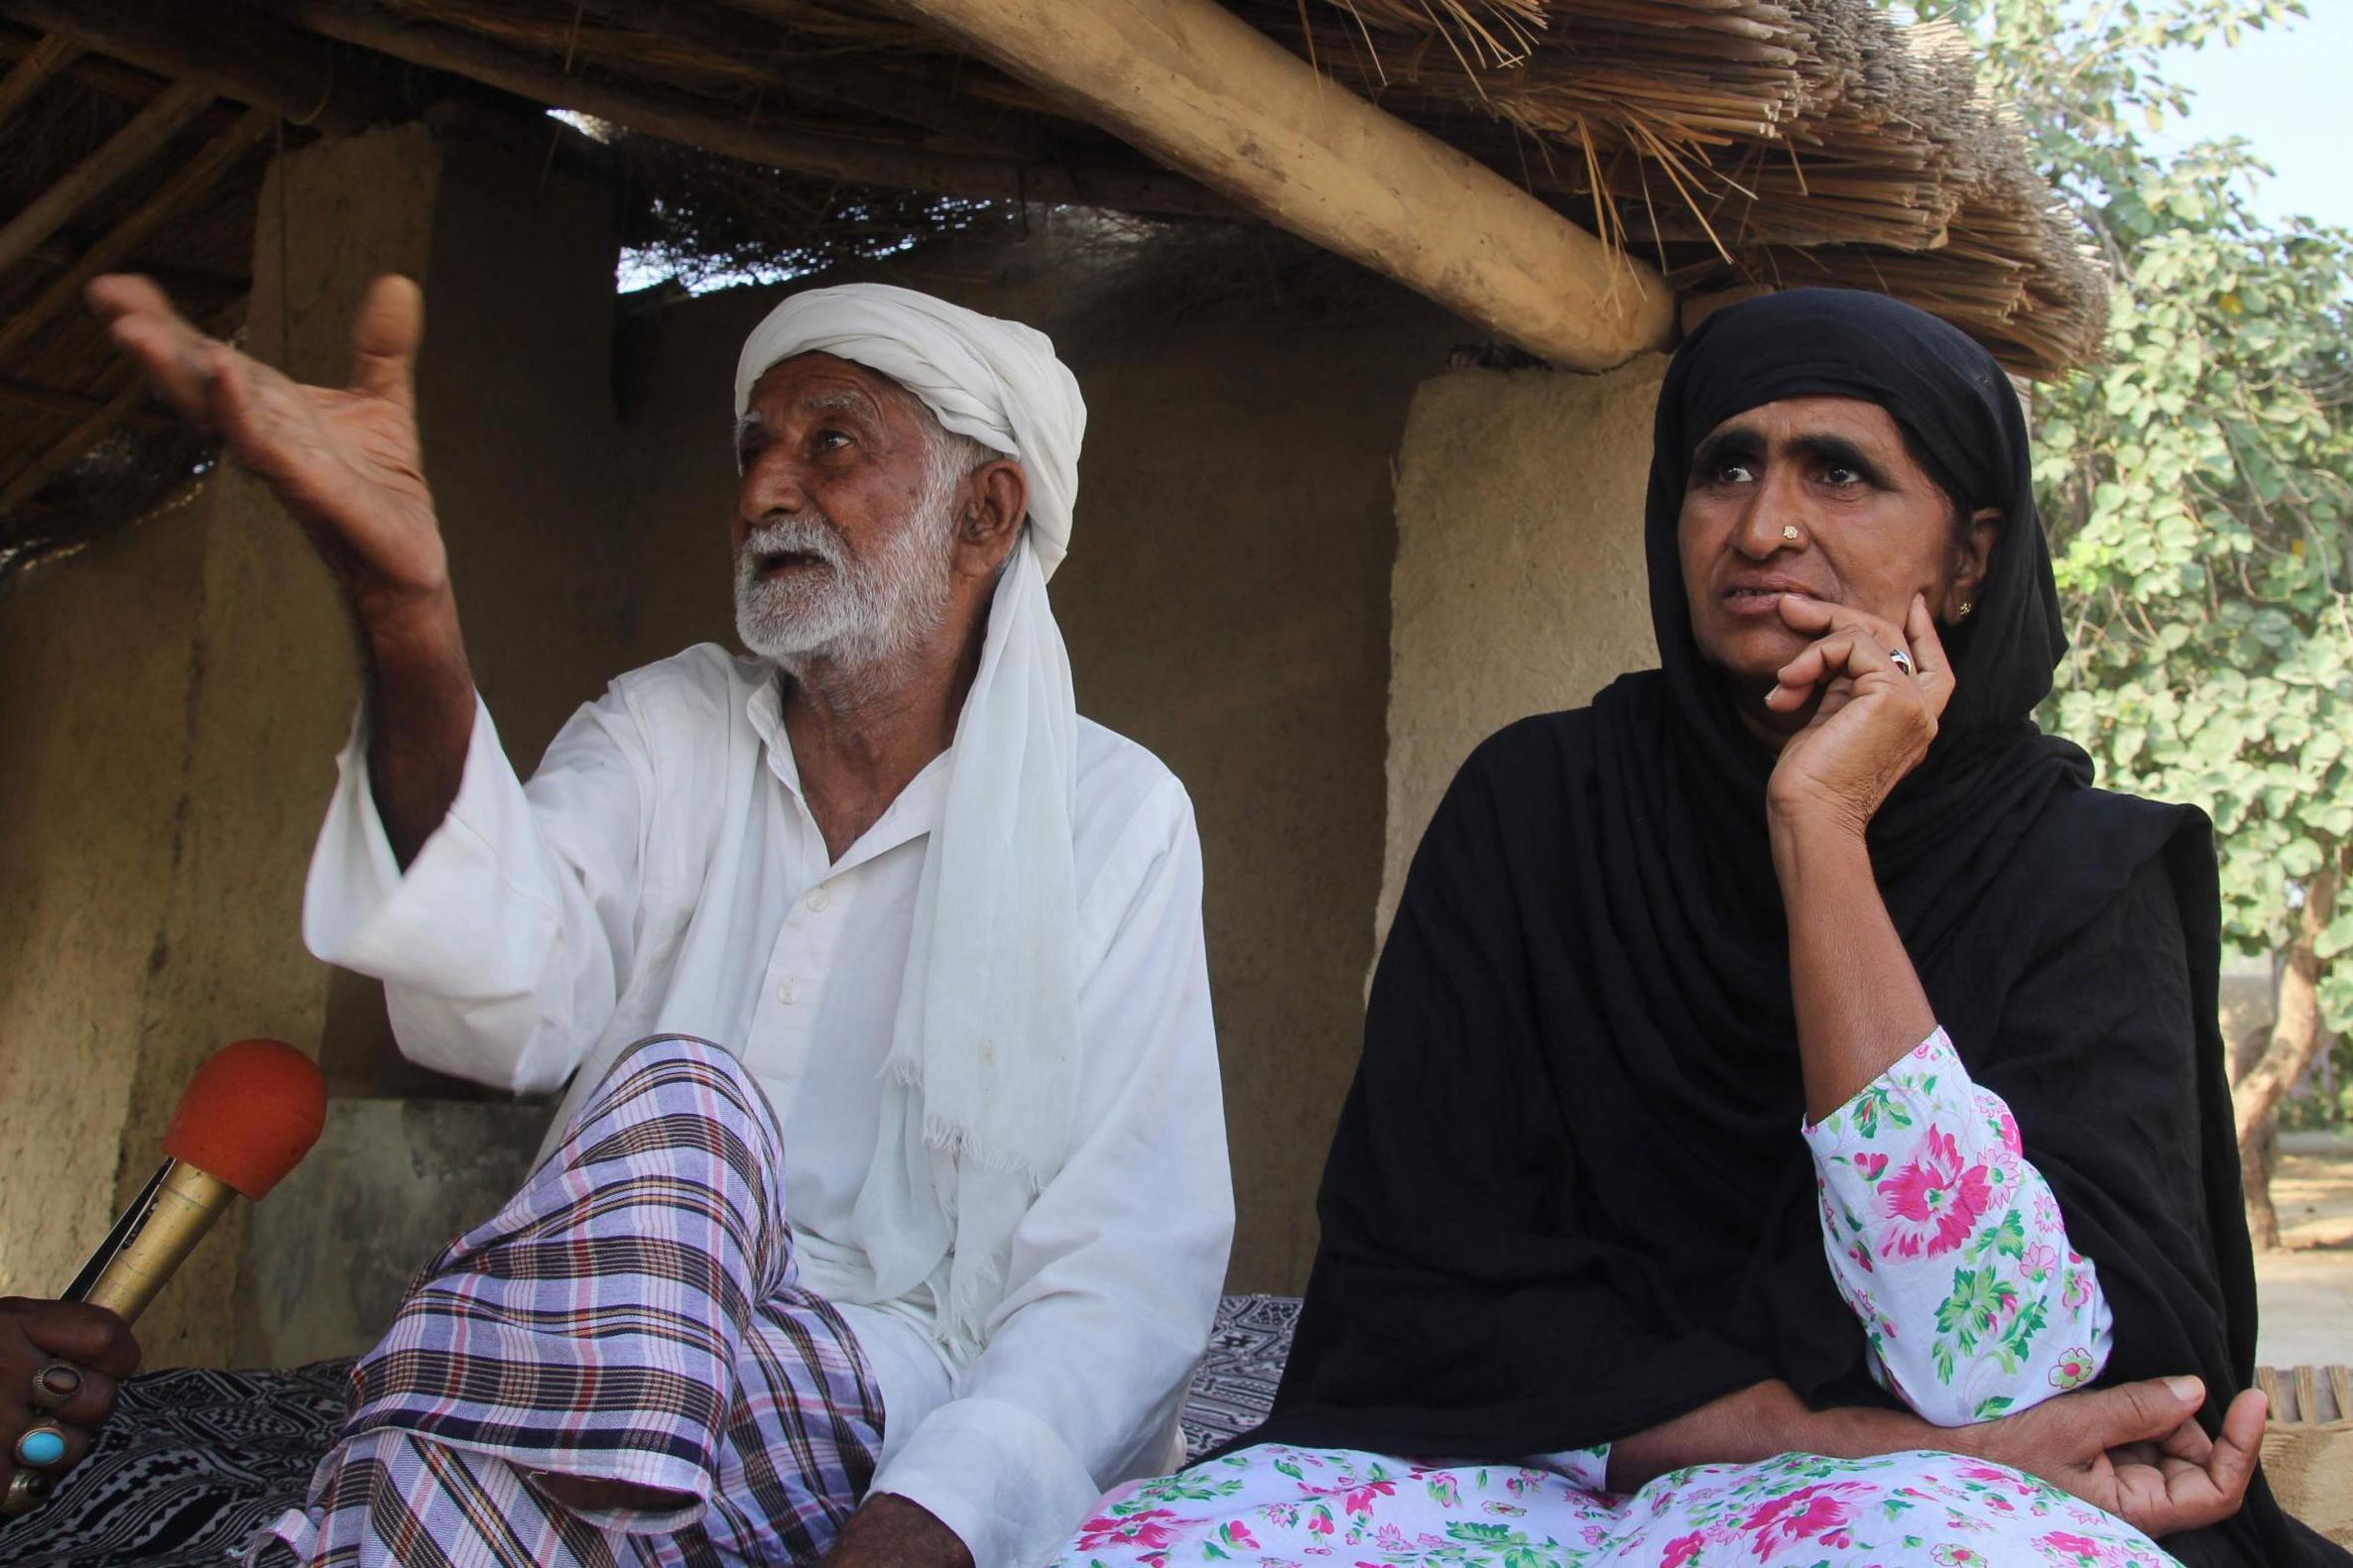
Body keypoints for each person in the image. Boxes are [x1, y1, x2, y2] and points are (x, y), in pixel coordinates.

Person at [1048, 290, 2346, 1567]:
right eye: (1723, 465)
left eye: (1840, 472)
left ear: (1969, 557)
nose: (1765, 522)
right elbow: (1417, 1287)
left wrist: (1821, 835)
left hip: (1925, 1512)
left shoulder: (2076, 873)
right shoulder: (1541, 808)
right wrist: (1816, 1436)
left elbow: (2012, 1363)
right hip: (1551, 1462)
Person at [9, 274, 1236, 1568]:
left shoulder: (1115, 818)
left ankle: (356, 1522)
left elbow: (1124, 1268)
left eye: (828, 442)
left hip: (882, 1395)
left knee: (673, 1130)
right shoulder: (671, 729)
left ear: (986, 511)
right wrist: (404, 603)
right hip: (596, 1366)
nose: (765, 488)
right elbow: (498, 981)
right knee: (675, 1139)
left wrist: (934, 1518)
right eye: (754, 448)